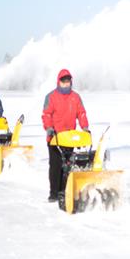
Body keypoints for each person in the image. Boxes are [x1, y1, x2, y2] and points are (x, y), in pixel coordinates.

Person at [42, 69, 90, 202]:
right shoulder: (51, 97)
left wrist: (85, 127)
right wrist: (49, 128)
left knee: (69, 164)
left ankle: (65, 191)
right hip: (55, 138)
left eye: (68, 82)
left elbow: (81, 113)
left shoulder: (75, 97)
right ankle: (54, 193)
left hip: (70, 138)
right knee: (56, 165)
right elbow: (46, 114)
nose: (66, 84)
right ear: (59, 82)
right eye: (64, 82)